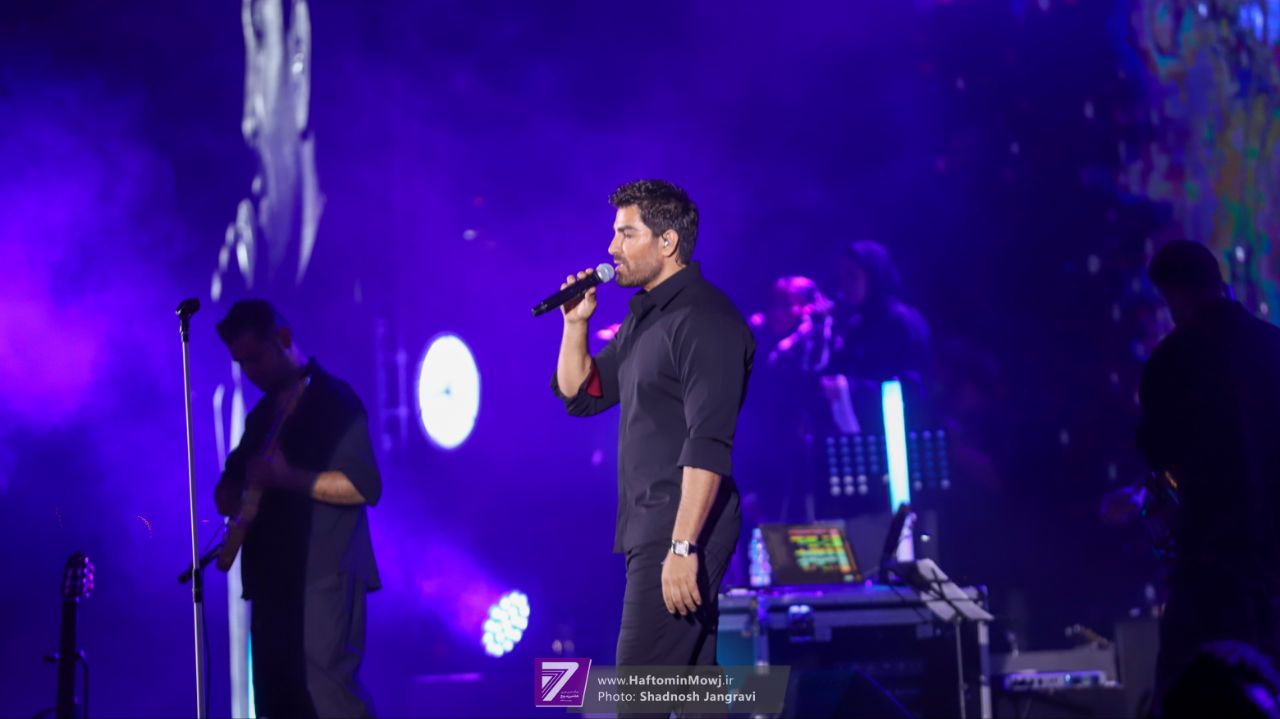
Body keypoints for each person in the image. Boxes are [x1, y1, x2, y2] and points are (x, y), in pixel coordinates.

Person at [551, 180, 754, 675]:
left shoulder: (705, 319)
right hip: (651, 524)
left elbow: (708, 442)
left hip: (680, 526)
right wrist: (575, 325)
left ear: (667, 242)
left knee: (639, 692)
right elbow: (582, 395)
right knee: (693, 691)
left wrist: (683, 547)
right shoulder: (645, 317)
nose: (611, 248)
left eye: (626, 234)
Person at [1110, 240, 1280, 709]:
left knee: (1191, 688)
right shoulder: (1274, 345)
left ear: (1174, 294)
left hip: (1212, 561)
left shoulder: (1171, 360)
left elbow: (1157, 451)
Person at [214, 300, 380, 718]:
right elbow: (226, 492)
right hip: (272, 583)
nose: (250, 372)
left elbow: (363, 486)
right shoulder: (261, 416)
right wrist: (237, 491)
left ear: (284, 339)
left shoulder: (333, 401)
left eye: (255, 358)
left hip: (324, 574)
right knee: (276, 702)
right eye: (240, 363)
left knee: (328, 697)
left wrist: (288, 478)